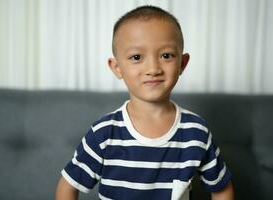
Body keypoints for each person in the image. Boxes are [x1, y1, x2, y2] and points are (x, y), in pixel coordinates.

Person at [55, 5, 234, 200]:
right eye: (137, 57)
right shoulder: (105, 133)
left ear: (182, 63)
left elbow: (221, 189)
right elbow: (68, 185)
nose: (153, 68)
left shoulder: (196, 131)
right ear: (117, 68)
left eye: (166, 55)